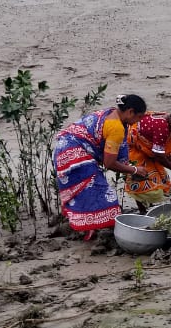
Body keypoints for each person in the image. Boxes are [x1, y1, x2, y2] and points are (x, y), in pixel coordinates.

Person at [53, 93, 149, 236]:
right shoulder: (116, 128)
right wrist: (134, 170)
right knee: (102, 195)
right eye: (139, 117)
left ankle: (83, 227)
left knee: (86, 194)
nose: (138, 121)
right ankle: (102, 230)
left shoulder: (111, 113)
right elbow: (109, 163)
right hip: (75, 156)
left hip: (63, 149)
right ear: (130, 112)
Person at [125, 103, 171, 212]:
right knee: (140, 179)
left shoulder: (167, 118)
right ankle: (142, 210)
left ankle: (145, 208)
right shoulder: (162, 128)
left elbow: (161, 151)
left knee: (152, 178)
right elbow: (158, 156)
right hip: (135, 149)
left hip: (145, 149)